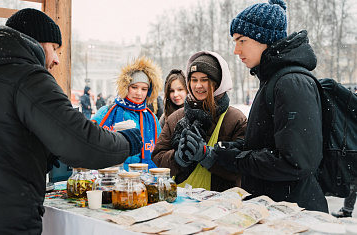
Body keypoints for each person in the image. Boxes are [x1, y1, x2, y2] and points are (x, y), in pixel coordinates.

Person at [0, 8, 142, 235]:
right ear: (36, 43)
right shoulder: (28, 78)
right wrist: (127, 141)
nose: (57, 59)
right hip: (0, 225)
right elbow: (82, 143)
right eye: (54, 49)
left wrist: (40, 153)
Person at [208, 0, 329, 212]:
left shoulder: (291, 83)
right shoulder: (273, 80)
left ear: (264, 38)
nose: (236, 50)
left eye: (242, 40)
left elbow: (296, 161)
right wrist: (229, 150)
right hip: (276, 207)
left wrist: (238, 159)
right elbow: (270, 142)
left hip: (295, 212)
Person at [151, 51, 247, 191]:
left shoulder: (235, 119)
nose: (198, 85)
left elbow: (242, 168)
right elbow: (158, 158)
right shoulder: (176, 118)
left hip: (222, 205)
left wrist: (208, 156)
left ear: (218, 82)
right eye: (194, 80)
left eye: (204, 80)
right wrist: (178, 158)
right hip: (183, 205)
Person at [92, 56, 163, 171]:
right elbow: (89, 140)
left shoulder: (152, 119)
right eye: (134, 87)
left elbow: (159, 153)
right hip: (112, 179)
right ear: (126, 87)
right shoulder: (106, 112)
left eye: (144, 89)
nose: (139, 93)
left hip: (142, 181)